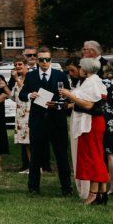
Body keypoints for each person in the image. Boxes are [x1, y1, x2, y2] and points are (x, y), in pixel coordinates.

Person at [23, 48, 74, 195]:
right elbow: (22, 94)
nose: (44, 62)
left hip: (57, 120)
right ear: (37, 61)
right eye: (41, 60)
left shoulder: (60, 75)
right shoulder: (31, 76)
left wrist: (58, 102)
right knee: (36, 156)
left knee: (61, 155)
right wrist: (29, 95)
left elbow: (68, 96)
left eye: (47, 59)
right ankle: (33, 187)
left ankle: (66, 188)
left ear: (51, 60)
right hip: (38, 121)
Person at [57, 57, 108, 205]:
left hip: (91, 123)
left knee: (92, 157)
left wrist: (69, 95)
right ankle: (102, 192)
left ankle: (93, 193)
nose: (78, 69)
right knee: (96, 156)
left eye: (80, 67)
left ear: (85, 69)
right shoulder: (94, 80)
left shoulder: (92, 82)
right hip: (94, 122)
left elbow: (88, 105)